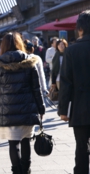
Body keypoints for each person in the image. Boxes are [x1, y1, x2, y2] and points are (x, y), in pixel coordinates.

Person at [0, 32, 45, 174]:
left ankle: (16, 171)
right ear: (19, 43)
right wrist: (41, 108)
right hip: (27, 107)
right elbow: (37, 88)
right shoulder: (29, 62)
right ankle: (26, 170)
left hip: (8, 109)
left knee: (13, 143)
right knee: (26, 140)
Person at [58, 10, 90, 174]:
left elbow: (66, 83)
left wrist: (63, 110)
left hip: (80, 108)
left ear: (80, 29)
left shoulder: (71, 51)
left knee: (81, 147)